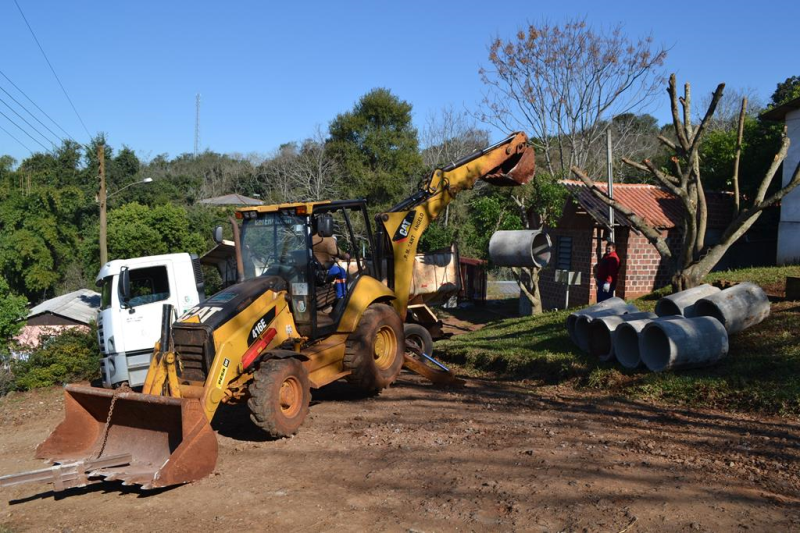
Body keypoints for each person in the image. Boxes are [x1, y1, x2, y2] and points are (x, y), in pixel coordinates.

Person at [312, 232, 350, 303]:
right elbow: (337, 252)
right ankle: (341, 296)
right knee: (341, 271)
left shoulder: (312, 238)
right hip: (323, 272)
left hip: (313, 270)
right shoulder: (329, 241)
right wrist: (346, 256)